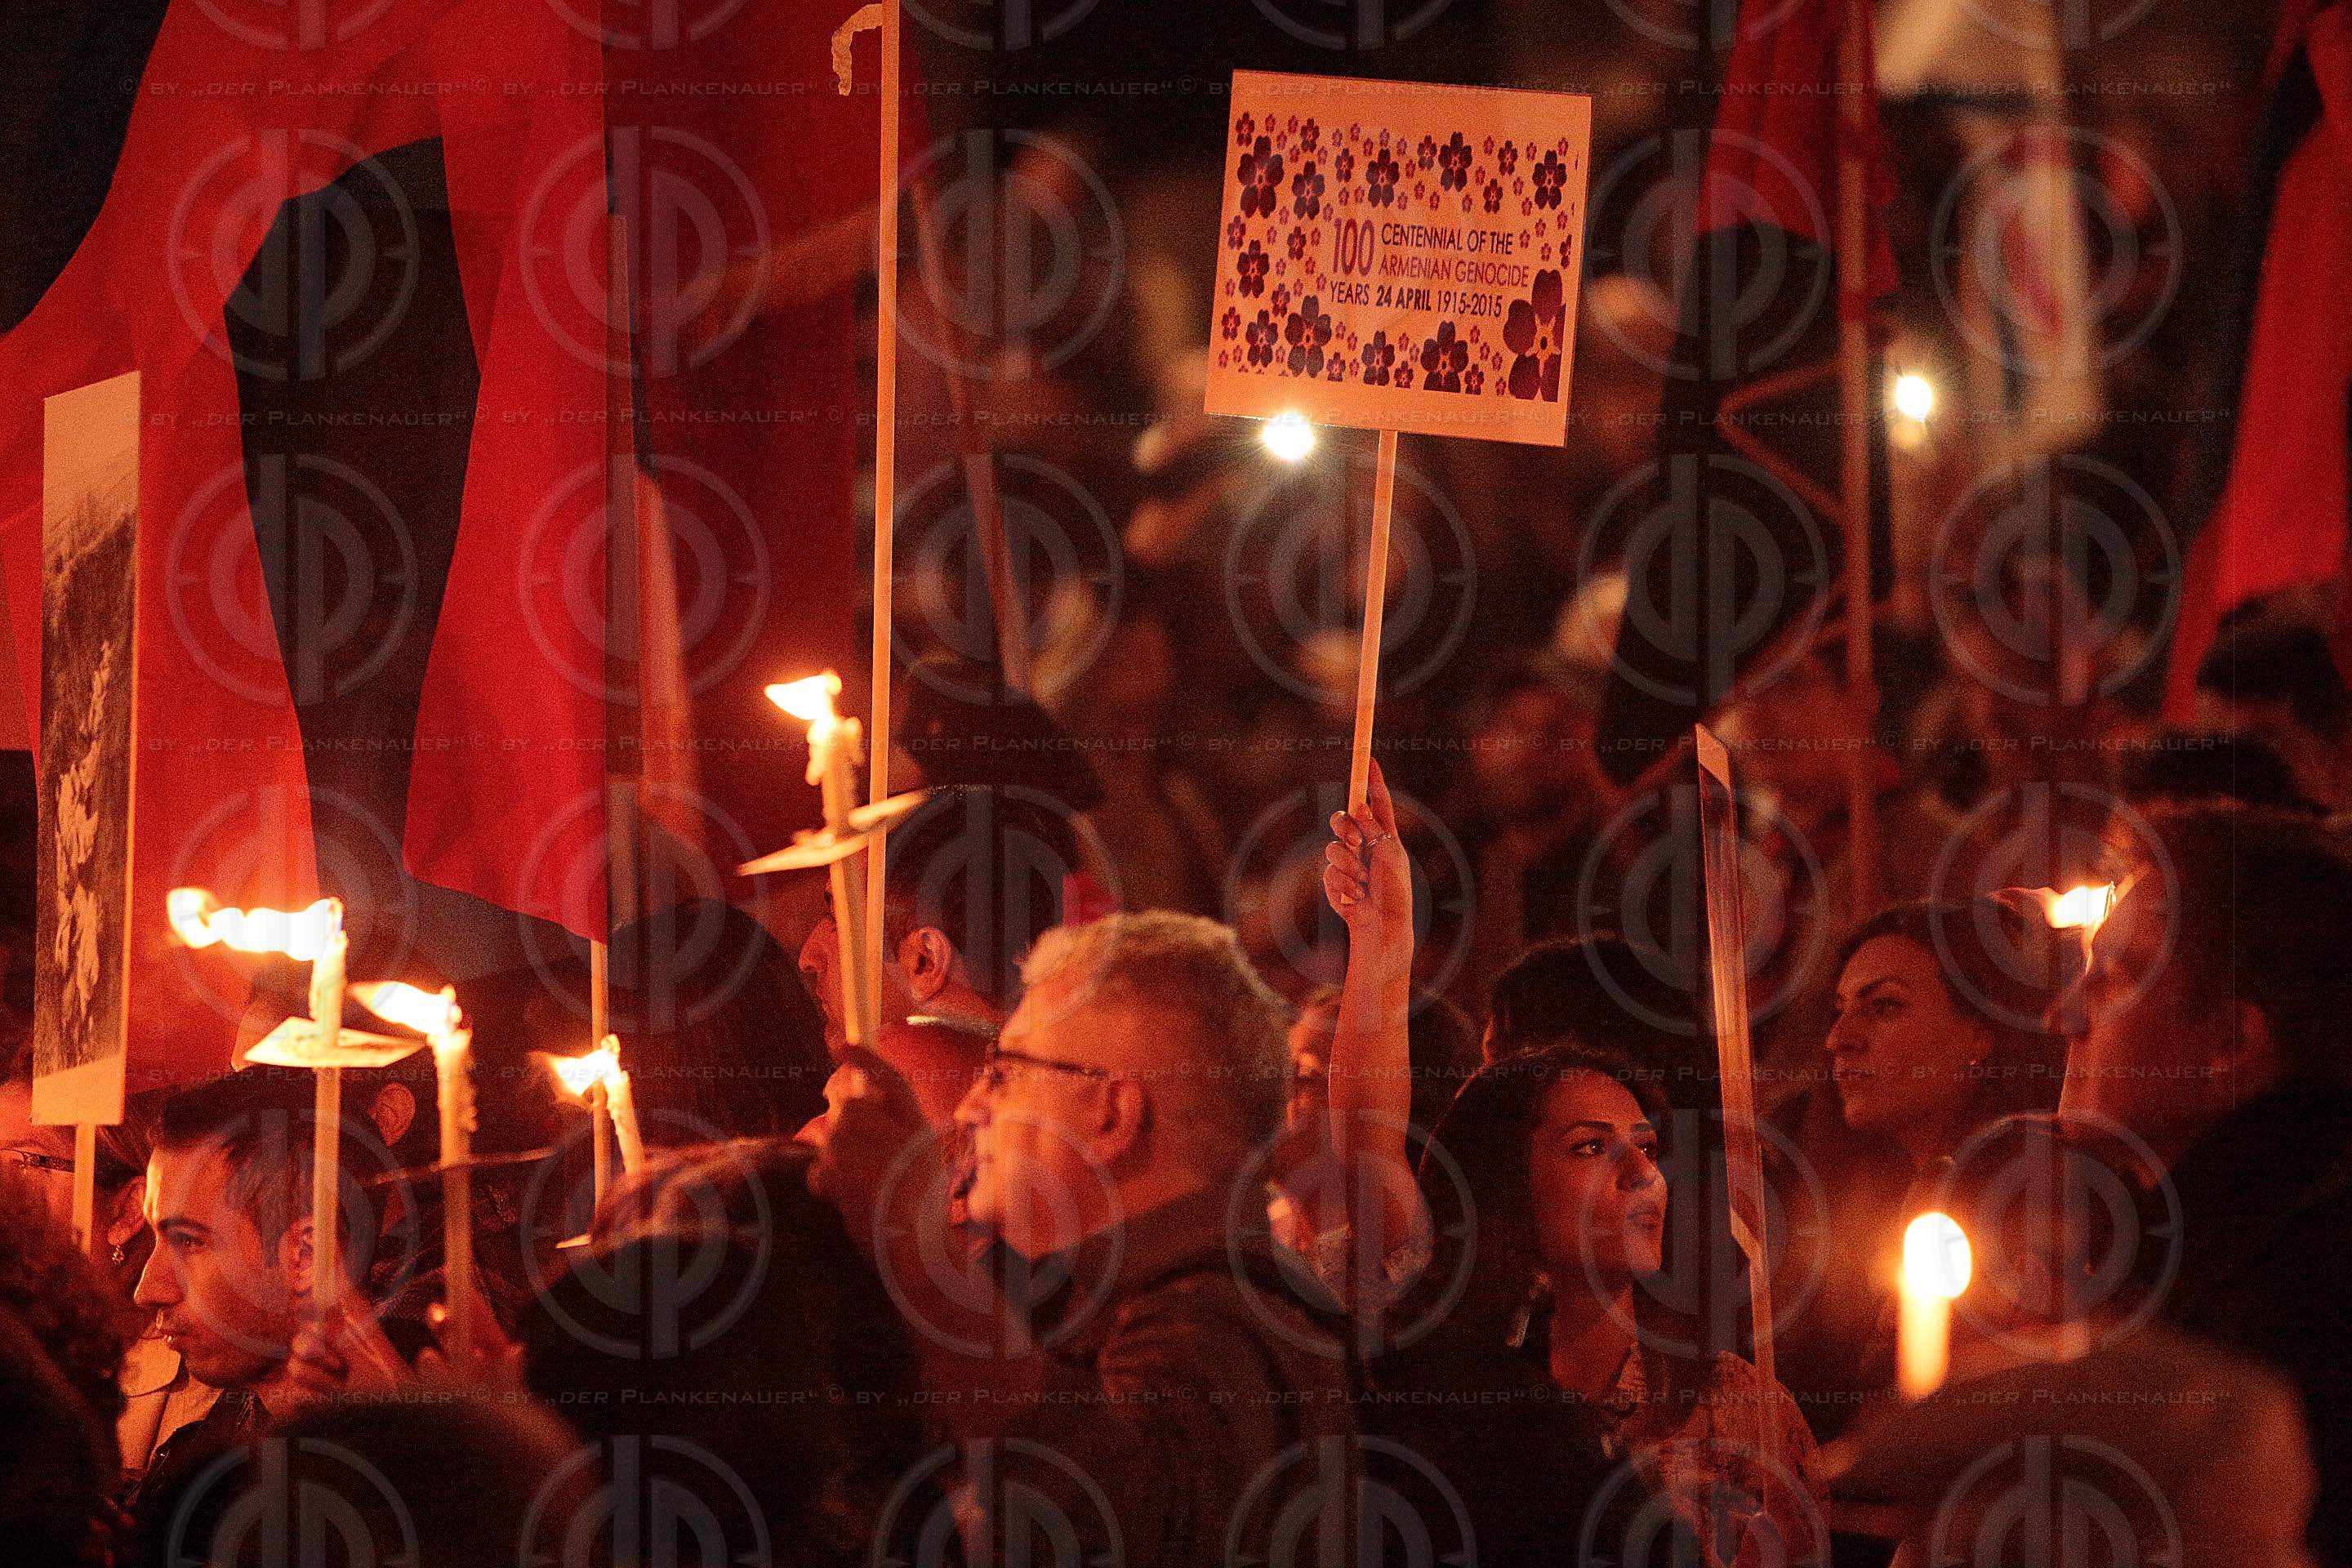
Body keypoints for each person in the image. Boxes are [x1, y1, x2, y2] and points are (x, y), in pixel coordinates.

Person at [813, 908, 1358, 1568]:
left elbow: (1109, 1518)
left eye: (1005, 1072)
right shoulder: (1110, 1297)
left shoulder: (1223, 1323)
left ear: (1112, 1114)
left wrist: (919, 1239)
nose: (969, 1107)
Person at [2055, 804, 2352, 1562]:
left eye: (2113, 979)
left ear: (2230, 1041)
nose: (2064, 1017)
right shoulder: (2182, 1250)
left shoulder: (2293, 1301)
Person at [1401, 1043, 1824, 1568]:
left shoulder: (1738, 1410)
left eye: (1648, 1147)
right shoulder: (1438, 1404)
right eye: (1591, 1147)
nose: (1643, 1172)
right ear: (1499, 1184)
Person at [1771, 898, 2074, 1437]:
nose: (1839, 1039)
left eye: (1884, 1006)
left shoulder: (2043, 1208)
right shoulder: (1848, 1201)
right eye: (1838, 1010)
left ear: (1980, 1032)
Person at [797, 784, 1076, 1128]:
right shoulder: (1060, 1073)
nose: (808, 956)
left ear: (924, 962)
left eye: (838, 919)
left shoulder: (904, 1067)